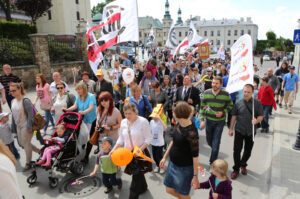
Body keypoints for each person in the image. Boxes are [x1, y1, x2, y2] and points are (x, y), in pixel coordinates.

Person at [110, 102, 152, 199]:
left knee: (134, 181)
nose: (127, 116)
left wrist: (139, 150)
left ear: (135, 112)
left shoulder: (143, 121)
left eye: (130, 113)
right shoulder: (124, 122)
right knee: (138, 173)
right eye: (125, 113)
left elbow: (148, 139)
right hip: (128, 154)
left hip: (140, 153)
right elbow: (121, 138)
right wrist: (114, 149)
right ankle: (144, 187)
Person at [160, 101, 199, 199]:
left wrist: (195, 176)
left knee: (183, 194)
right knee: (169, 189)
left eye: (173, 112)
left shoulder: (192, 133)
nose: (172, 113)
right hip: (172, 164)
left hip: (184, 169)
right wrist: (164, 157)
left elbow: (195, 156)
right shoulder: (179, 124)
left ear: (178, 115)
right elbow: (174, 141)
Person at [229, 84, 264, 179]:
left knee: (248, 151)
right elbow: (234, 116)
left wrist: (256, 120)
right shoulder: (238, 103)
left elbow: (261, 116)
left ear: (252, 92)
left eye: (248, 92)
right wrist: (231, 128)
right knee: (236, 151)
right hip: (239, 130)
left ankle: (243, 164)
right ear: (242, 91)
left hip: (251, 131)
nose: (246, 93)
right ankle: (236, 169)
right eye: (245, 91)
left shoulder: (257, 103)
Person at [200, 77, 233, 165]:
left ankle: (212, 162)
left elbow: (230, 106)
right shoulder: (206, 93)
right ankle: (215, 148)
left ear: (221, 84)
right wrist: (202, 120)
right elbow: (202, 107)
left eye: (216, 83)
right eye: (213, 83)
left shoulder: (226, 94)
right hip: (209, 121)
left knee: (216, 142)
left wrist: (223, 112)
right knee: (209, 141)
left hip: (220, 122)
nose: (214, 85)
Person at [63, 82, 97, 164]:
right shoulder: (78, 97)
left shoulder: (91, 96)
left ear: (83, 89)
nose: (77, 91)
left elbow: (91, 107)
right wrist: (67, 110)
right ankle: (80, 147)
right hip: (81, 119)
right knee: (81, 135)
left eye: (79, 89)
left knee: (89, 138)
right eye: (77, 90)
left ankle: (86, 157)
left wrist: (84, 112)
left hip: (91, 119)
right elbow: (75, 106)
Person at [10, 83, 40, 170]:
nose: (12, 92)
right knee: (22, 143)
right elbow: (13, 115)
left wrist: (29, 127)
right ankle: (39, 151)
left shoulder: (25, 101)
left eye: (14, 90)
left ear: (19, 89)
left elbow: (31, 115)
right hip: (18, 126)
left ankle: (28, 162)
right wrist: (14, 128)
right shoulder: (13, 101)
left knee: (26, 144)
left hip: (26, 125)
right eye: (11, 91)